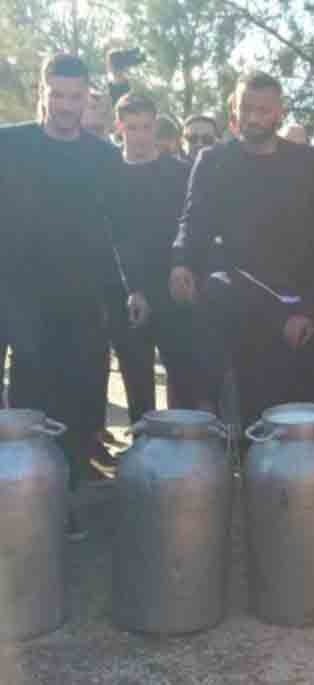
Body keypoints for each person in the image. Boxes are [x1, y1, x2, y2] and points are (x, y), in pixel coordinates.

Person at [0, 54, 129, 540]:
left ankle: (65, 497)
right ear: (43, 91)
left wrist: (122, 293)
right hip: (19, 297)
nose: (65, 105)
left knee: (77, 405)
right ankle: (26, 501)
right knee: (30, 402)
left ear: (87, 97)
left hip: (81, 301)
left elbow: (119, 232)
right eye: (57, 94)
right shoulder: (9, 144)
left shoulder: (102, 157)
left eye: (75, 96)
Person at [171, 71, 314, 430]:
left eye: (264, 110)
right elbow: (193, 223)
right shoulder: (213, 160)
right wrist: (181, 262)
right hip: (238, 299)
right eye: (247, 108)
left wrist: (309, 309)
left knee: (290, 417)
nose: (254, 118)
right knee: (238, 412)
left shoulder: (306, 162)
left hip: (294, 306)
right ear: (234, 110)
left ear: (279, 113)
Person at [111, 93, 195, 421]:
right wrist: (133, 287)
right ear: (120, 127)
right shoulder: (110, 173)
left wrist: (185, 270)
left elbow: (190, 227)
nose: (140, 136)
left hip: (172, 286)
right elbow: (114, 235)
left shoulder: (179, 173)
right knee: (136, 380)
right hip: (127, 288)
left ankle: (186, 450)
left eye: (146, 127)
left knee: (183, 375)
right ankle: (142, 451)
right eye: (132, 128)